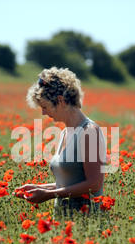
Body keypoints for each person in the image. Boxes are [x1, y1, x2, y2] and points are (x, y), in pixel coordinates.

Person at [14, 67, 106, 216]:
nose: (43, 113)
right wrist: (40, 188)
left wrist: (49, 195)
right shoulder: (64, 132)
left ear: (60, 100)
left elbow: (94, 184)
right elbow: (69, 184)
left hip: (87, 221)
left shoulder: (89, 131)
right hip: (65, 220)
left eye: (45, 107)